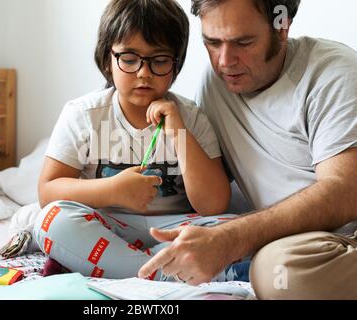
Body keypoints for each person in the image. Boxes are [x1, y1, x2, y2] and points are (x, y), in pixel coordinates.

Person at [138, 0, 357, 299]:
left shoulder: (333, 73)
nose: (225, 61)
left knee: (279, 272)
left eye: (243, 42)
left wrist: (230, 240)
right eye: (212, 43)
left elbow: (345, 192)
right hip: (290, 242)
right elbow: (211, 184)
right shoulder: (217, 83)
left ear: (282, 28)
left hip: (343, 240)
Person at [33, 0, 249, 282]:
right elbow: (48, 191)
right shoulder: (84, 115)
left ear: (175, 64)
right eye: (130, 58)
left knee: (236, 226)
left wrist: (177, 131)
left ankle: (119, 265)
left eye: (159, 60)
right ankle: (169, 272)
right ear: (107, 59)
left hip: (173, 228)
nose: (144, 73)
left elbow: (214, 204)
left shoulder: (191, 117)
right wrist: (111, 190)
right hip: (108, 227)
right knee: (51, 219)